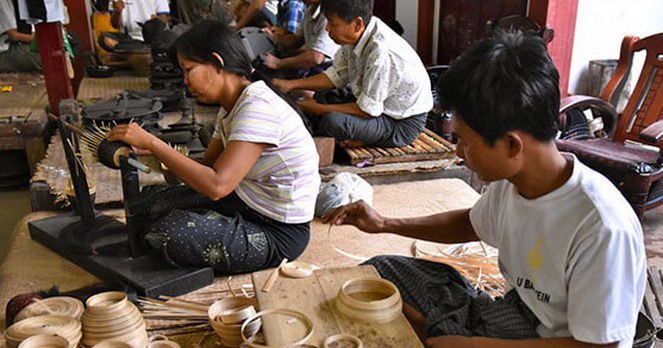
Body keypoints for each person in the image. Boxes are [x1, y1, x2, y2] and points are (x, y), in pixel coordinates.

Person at [322, 30, 647, 348]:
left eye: (466, 141)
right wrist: (385, 224)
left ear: (512, 144)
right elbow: (472, 222)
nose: (459, 152)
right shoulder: (515, 180)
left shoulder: (601, 225)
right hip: (513, 316)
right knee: (378, 275)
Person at [108, 20, 320, 274]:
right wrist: (155, 151)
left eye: (189, 70)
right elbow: (206, 168)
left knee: (165, 233)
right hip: (246, 202)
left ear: (217, 63)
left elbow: (217, 186)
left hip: (279, 232)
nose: (185, 81)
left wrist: (154, 143)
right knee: (147, 202)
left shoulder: (258, 108)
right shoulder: (232, 105)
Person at [273, 0, 432, 148]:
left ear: (357, 24)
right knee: (325, 96)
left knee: (333, 121)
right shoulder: (357, 35)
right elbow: (336, 76)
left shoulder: (381, 52)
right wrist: (291, 85)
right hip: (378, 107)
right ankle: (360, 134)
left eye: (333, 24)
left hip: (400, 123)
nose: (327, 29)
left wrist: (318, 109)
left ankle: (365, 138)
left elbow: (367, 110)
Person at [262, 0, 338, 75]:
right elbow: (296, 39)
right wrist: (274, 38)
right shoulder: (311, 9)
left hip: (327, 72)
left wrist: (278, 63)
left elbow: (316, 58)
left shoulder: (328, 14)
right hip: (313, 68)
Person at [0, 0, 42, 73]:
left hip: (28, 44)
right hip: (8, 49)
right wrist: (44, 39)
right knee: (47, 59)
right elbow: (14, 35)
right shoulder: (4, 2)